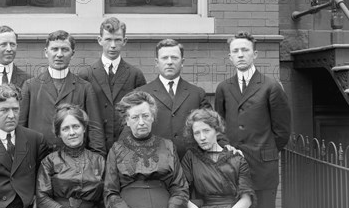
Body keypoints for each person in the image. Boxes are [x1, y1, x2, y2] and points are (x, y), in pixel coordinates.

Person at [215, 31, 291, 208]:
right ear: (230, 56)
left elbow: (283, 131)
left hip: (263, 168)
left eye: (245, 50)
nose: (240, 55)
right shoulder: (224, 87)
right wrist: (227, 147)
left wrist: (264, 152)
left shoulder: (270, 86)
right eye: (236, 51)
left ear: (255, 54)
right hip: (233, 168)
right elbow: (219, 126)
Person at [19, 30, 106, 156]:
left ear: (72, 53)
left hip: (75, 161)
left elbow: (95, 128)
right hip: (38, 158)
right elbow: (20, 128)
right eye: (54, 49)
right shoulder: (30, 86)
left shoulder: (85, 87)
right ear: (46, 52)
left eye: (64, 49)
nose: (59, 54)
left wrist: (98, 159)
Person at [79, 17, 146, 152]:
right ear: (100, 40)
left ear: (124, 41)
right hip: (94, 147)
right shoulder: (86, 74)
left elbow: (142, 112)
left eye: (117, 40)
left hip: (128, 146)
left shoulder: (135, 75)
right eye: (108, 39)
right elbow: (81, 115)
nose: (113, 45)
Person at [137, 39, 211, 158]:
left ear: (182, 62)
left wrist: (224, 145)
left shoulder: (197, 94)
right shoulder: (141, 94)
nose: (170, 62)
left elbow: (211, 125)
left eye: (174, 58)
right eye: (165, 58)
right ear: (156, 62)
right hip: (154, 165)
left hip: (191, 164)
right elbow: (130, 130)